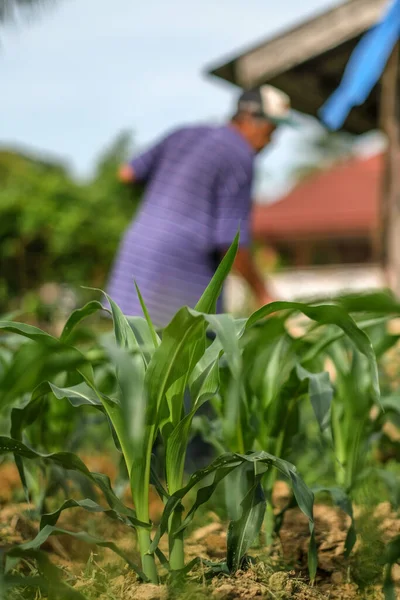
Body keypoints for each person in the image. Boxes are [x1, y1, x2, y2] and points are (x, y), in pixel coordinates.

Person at [107, 86, 293, 325]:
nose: (271, 141)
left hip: (135, 258)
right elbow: (230, 244)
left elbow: (127, 173)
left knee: (130, 350)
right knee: (194, 354)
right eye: (271, 129)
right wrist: (263, 295)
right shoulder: (240, 156)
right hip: (182, 270)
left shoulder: (184, 133)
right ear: (250, 119)